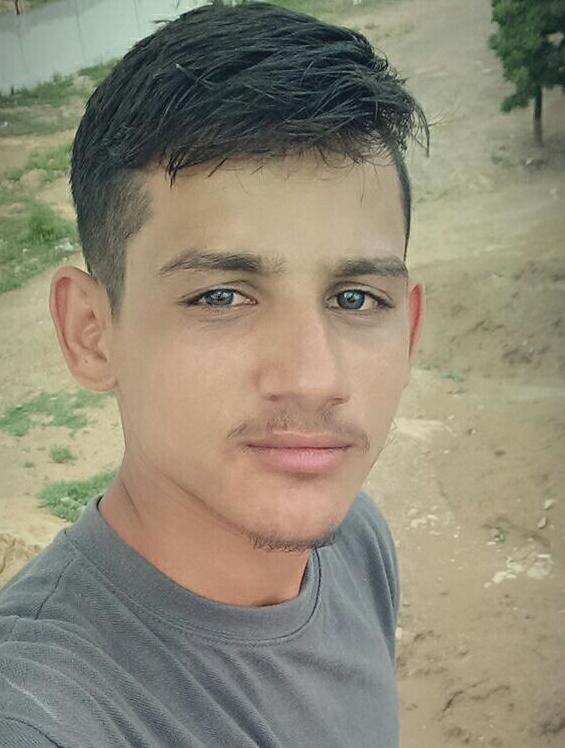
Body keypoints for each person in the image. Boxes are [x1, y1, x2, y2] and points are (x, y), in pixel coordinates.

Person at [0, 2, 428, 746]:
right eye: (221, 296)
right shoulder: (46, 716)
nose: (313, 378)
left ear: (410, 329)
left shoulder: (357, 542)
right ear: (91, 333)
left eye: (356, 298)